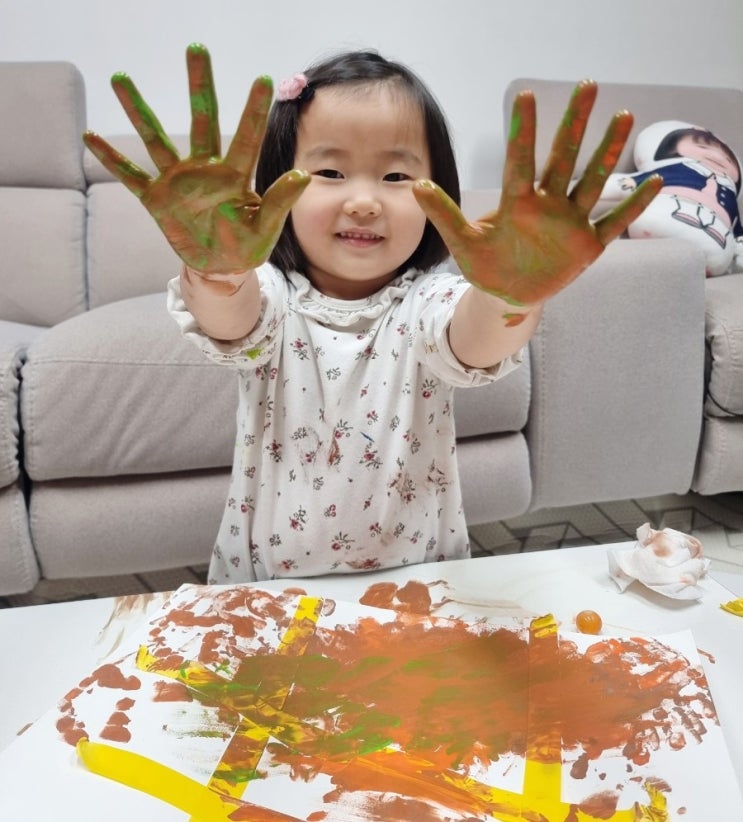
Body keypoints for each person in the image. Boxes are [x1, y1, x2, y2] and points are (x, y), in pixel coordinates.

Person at [84, 44, 660, 583]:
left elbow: (475, 341)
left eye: (396, 176)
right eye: (330, 173)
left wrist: (511, 296)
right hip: (270, 587)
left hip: (411, 581)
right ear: (273, 190)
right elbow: (231, 320)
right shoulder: (270, 297)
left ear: (441, 194)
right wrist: (217, 271)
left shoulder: (425, 304)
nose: (364, 199)